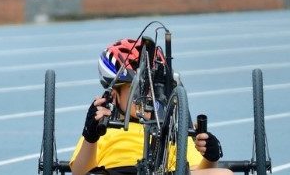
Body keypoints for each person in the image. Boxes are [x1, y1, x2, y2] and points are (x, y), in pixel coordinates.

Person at [70, 38, 232, 175]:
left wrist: (210, 158)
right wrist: (90, 137)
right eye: (136, 89)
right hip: (117, 170)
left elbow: (198, 171)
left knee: (224, 173)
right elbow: (79, 171)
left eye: (152, 88)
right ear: (114, 94)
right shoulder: (103, 132)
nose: (147, 96)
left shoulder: (173, 133)